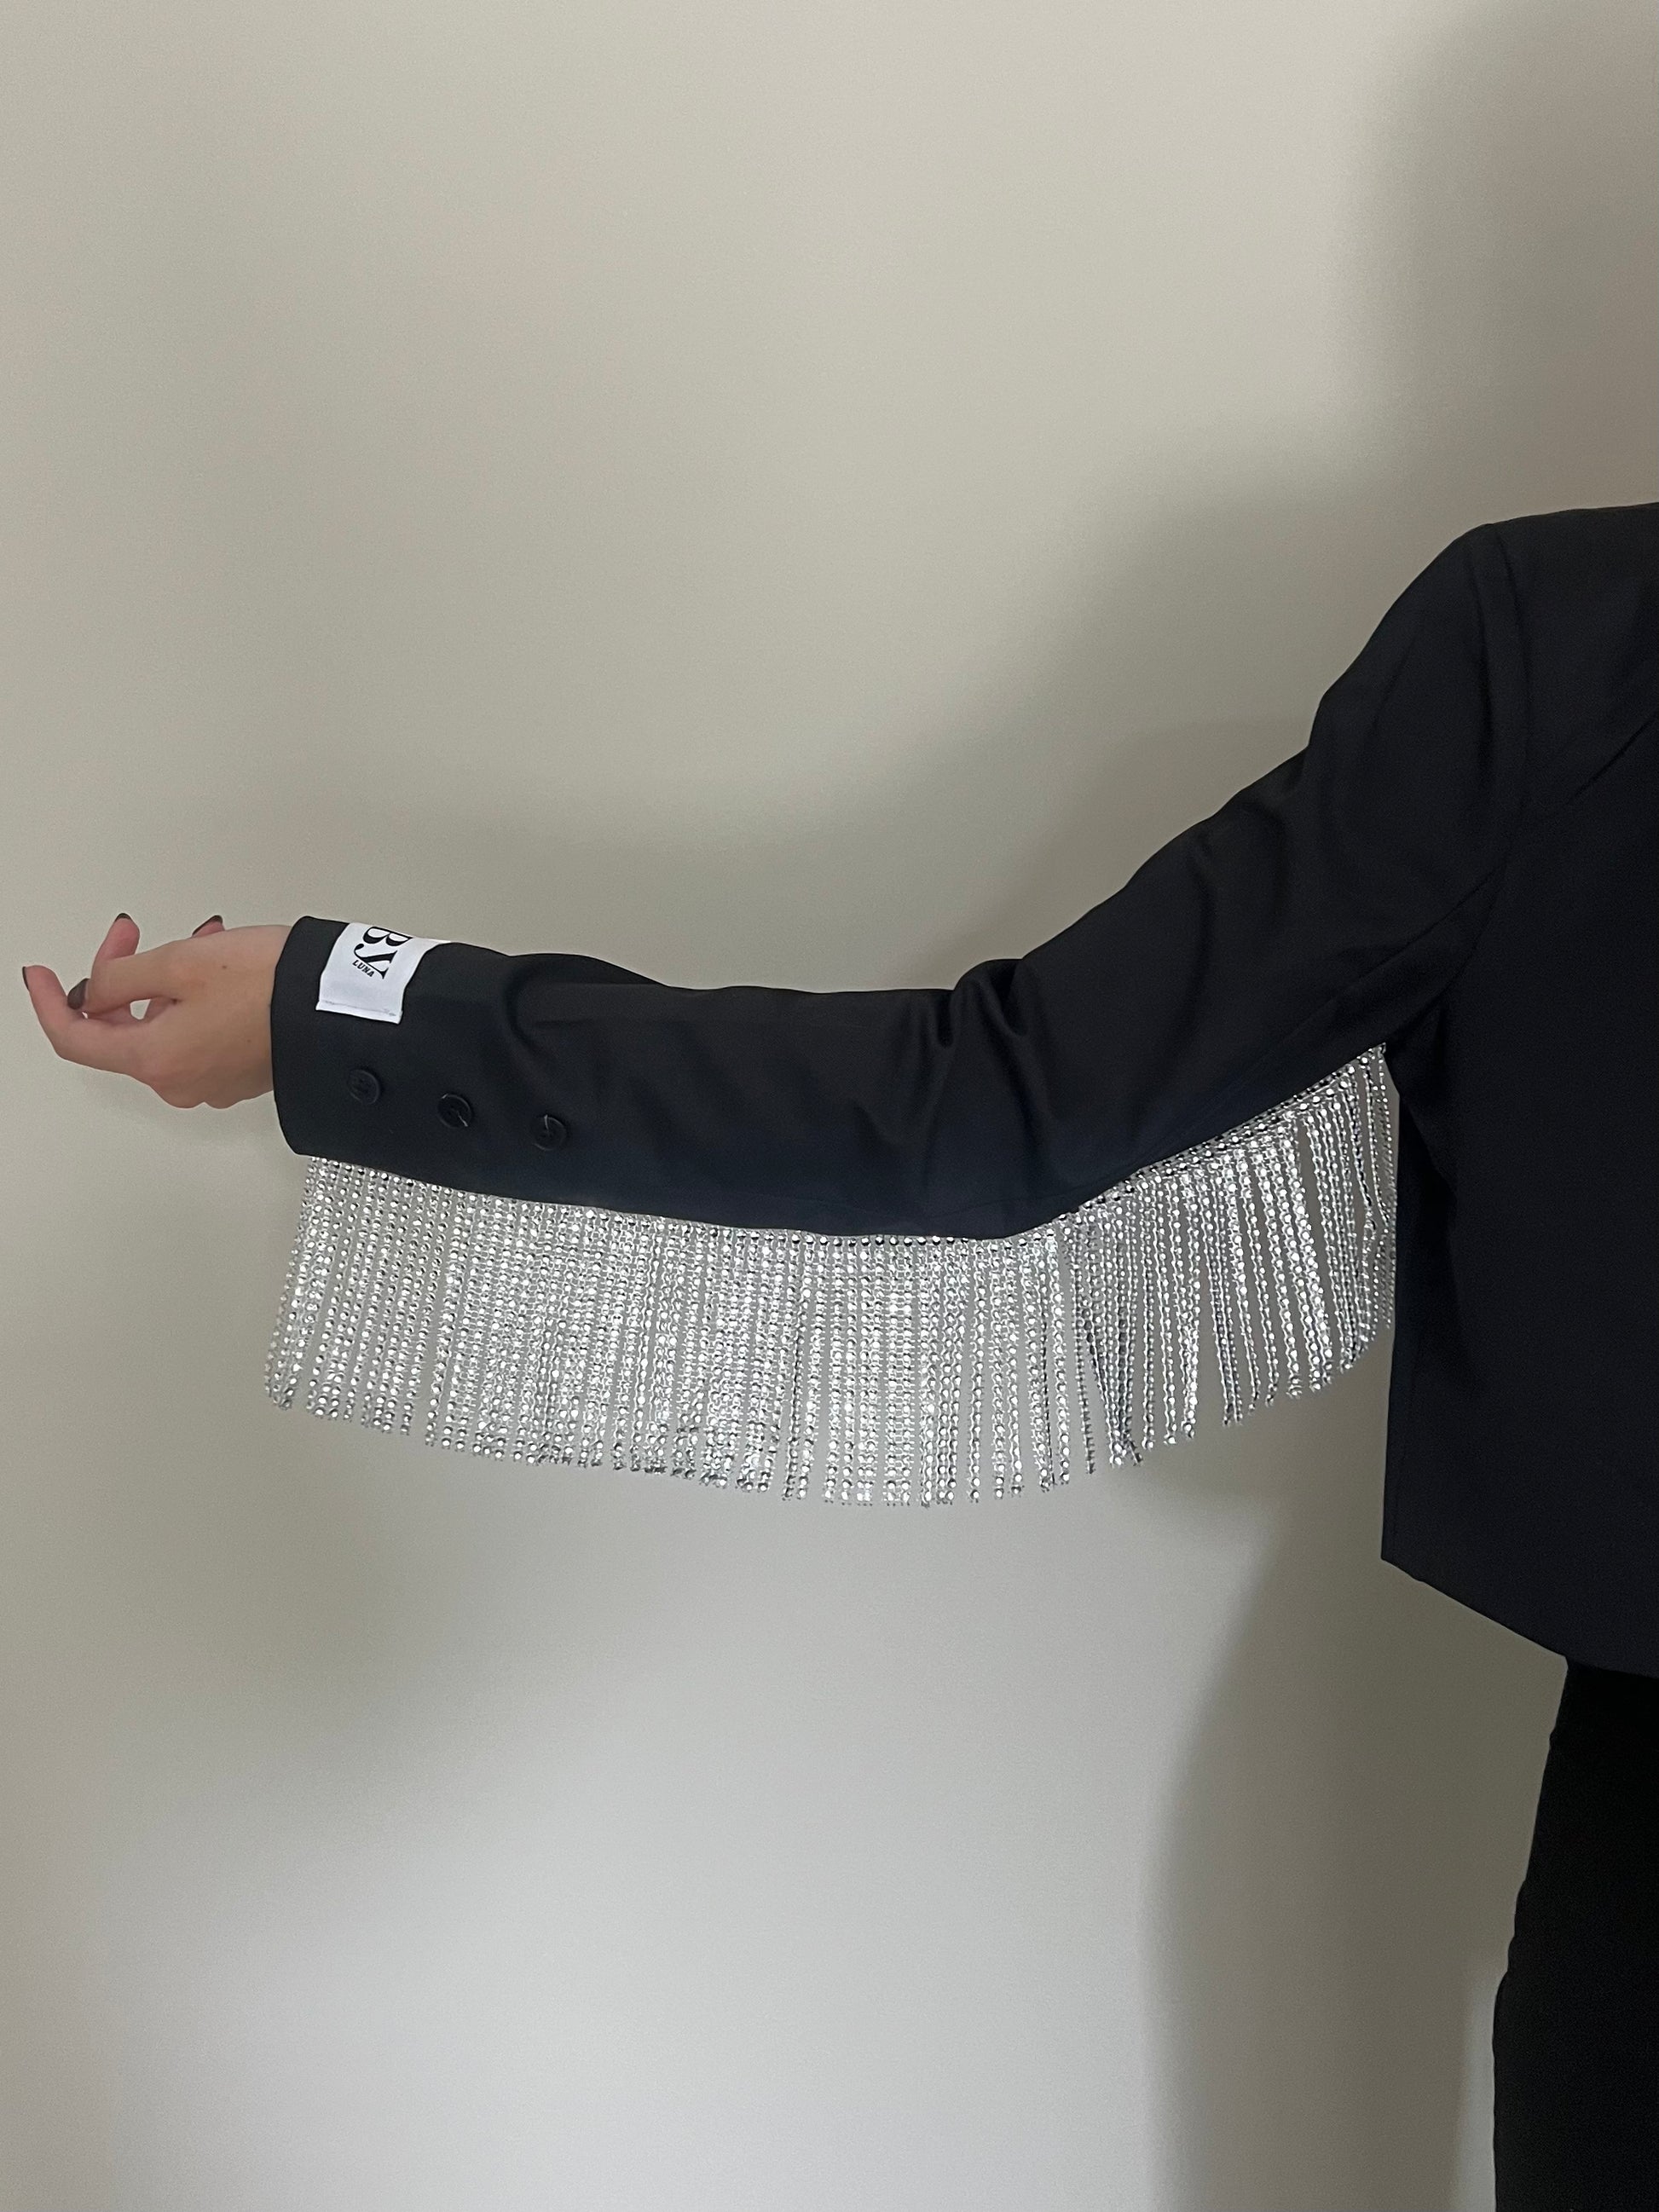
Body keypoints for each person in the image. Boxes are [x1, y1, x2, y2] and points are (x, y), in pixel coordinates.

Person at [23, 500, 1657, 2204]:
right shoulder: (1571, 651)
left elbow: (986, 1102)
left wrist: (335, 1009)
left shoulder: (1572, 644)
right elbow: (995, 1097)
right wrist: (342, 1005)